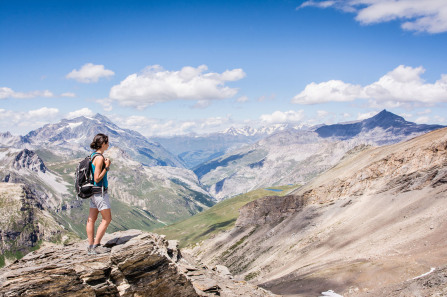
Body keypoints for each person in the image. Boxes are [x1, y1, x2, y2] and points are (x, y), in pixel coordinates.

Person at [86, 133, 112, 255]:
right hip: (99, 192)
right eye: (107, 142)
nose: (108, 144)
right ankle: (96, 245)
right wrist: (106, 167)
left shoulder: (92, 155)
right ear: (102, 144)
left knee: (91, 219)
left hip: (92, 192)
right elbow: (97, 178)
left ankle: (90, 246)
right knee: (107, 219)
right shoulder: (100, 158)